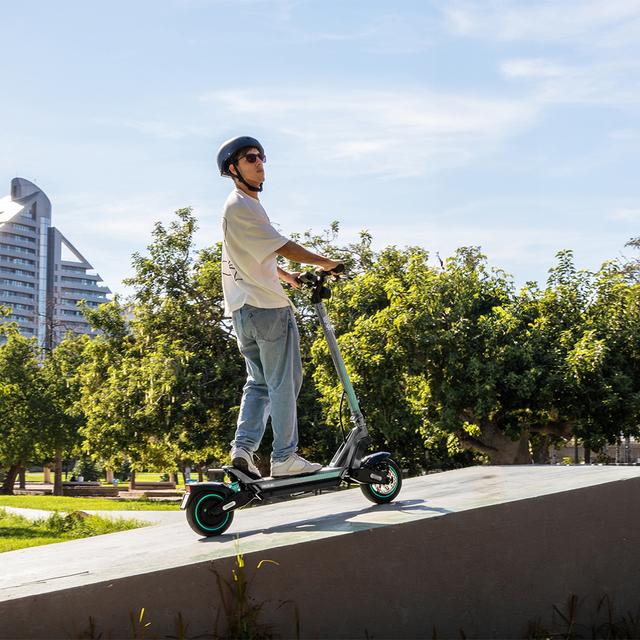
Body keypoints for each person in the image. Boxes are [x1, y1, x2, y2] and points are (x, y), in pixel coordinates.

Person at [217, 136, 342, 478]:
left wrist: (289, 278)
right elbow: (284, 245)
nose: (259, 163)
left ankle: (243, 448)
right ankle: (285, 456)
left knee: (258, 382)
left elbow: (252, 256)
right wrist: (327, 262)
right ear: (234, 168)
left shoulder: (235, 209)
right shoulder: (244, 205)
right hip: (268, 309)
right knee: (284, 382)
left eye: (261, 157)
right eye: (250, 158)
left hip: (243, 311)